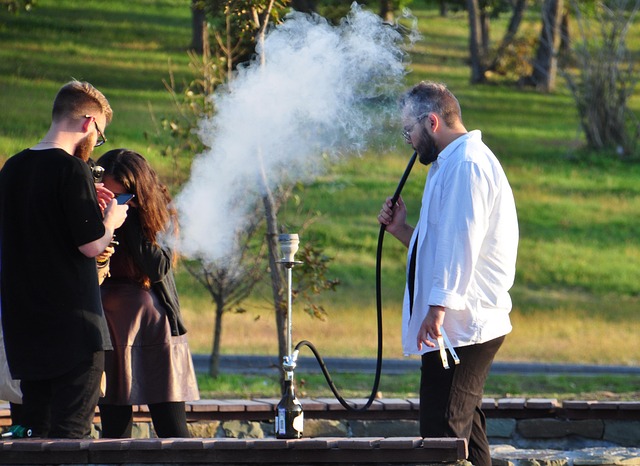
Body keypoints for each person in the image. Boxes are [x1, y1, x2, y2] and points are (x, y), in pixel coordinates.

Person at [377, 81, 519, 466]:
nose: (409, 140)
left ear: (432, 122)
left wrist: (438, 308)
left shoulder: (466, 165)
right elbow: (441, 247)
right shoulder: (450, 164)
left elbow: (461, 242)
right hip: (458, 328)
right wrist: (401, 230)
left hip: (460, 329)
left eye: (409, 130)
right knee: (467, 438)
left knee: (441, 439)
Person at [0, 80, 129, 438]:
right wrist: (111, 220)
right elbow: (90, 246)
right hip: (73, 330)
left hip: (25, 328)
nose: (96, 141)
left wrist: (84, 195)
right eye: (99, 135)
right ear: (89, 122)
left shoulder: (12, 168)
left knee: (34, 434)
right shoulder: (72, 169)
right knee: (71, 438)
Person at [95, 149, 199, 438]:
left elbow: (158, 267)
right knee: (114, 430)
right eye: (108, 195)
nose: (113, 203)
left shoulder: (157, 211)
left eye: (121, 197)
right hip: (109, 326)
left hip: (153, 326)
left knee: (172, 428)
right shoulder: (90, 211)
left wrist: (127, 219)